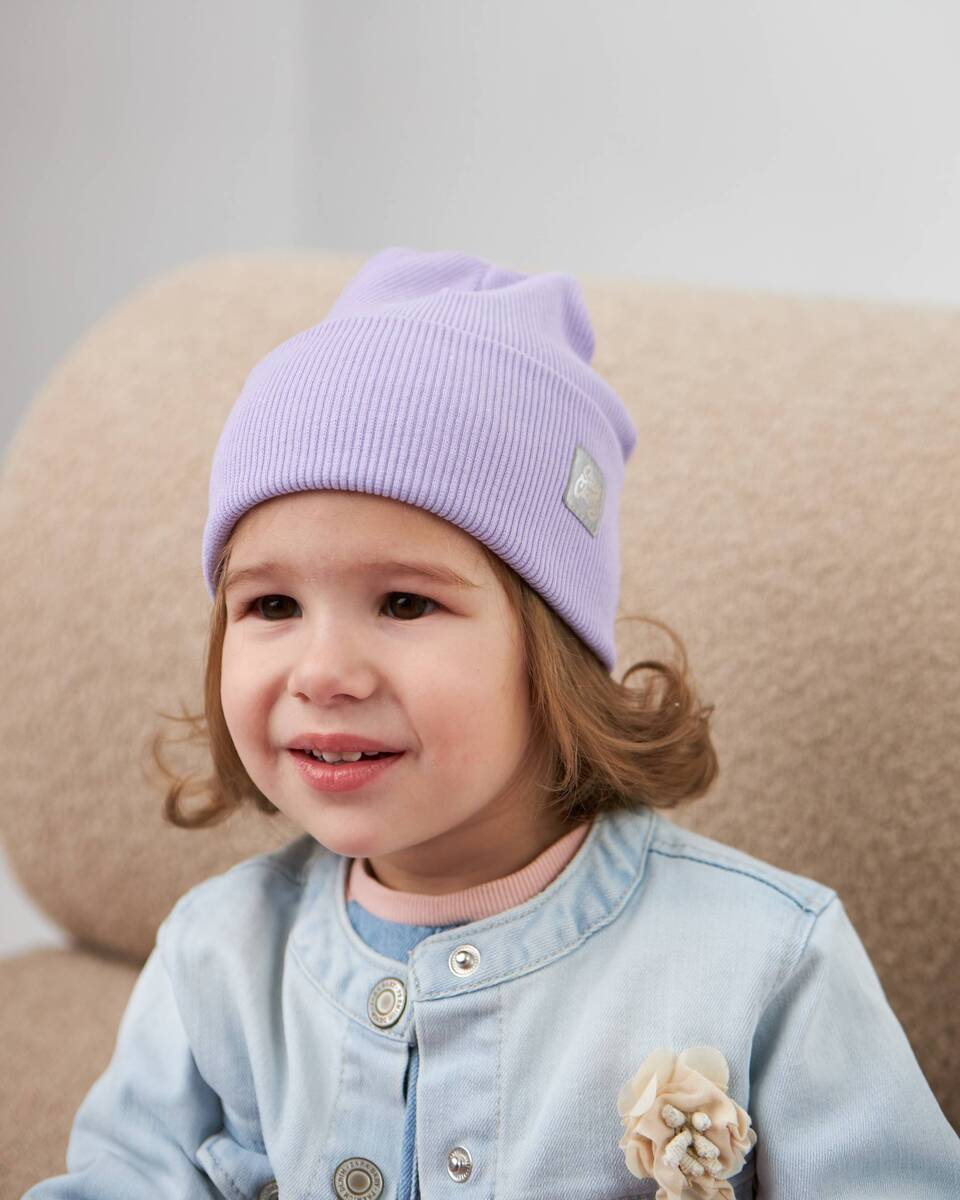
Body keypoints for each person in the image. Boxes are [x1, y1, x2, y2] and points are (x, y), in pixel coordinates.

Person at [23, 247, 960, 1200]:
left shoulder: (765, 961)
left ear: (551, 651)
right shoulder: (215, 957)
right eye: (271, 606)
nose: (324, 673)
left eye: (404, 603)